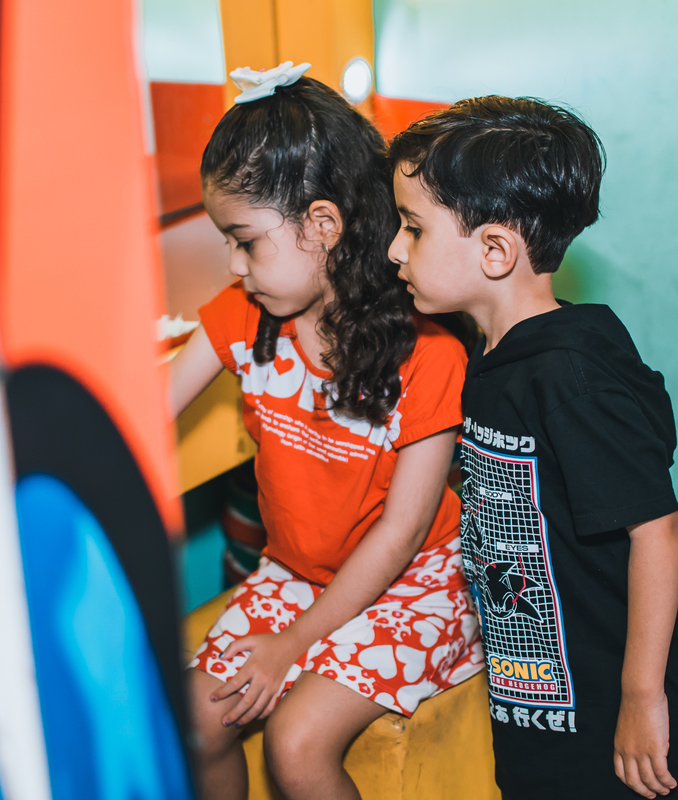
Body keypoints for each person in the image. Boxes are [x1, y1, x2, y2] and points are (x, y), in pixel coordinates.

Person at [167, 64, 484, 800]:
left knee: (297, 742)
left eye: (245, 241)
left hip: (415, 587)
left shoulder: (429, 354)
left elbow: (401, 537)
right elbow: (146, 406)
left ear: (322, 225)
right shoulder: (244, 318)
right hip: (297, 575)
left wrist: (291, 646)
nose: (234, 267)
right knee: (194, 721)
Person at [387, 96, 678, 799]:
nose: (394, 249)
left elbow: (658, 532)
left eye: (412, 229)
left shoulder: (569, 378)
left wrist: (639, 696)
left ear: (496, 250)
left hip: (608, 696)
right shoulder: (494, 355)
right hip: (532, 696)